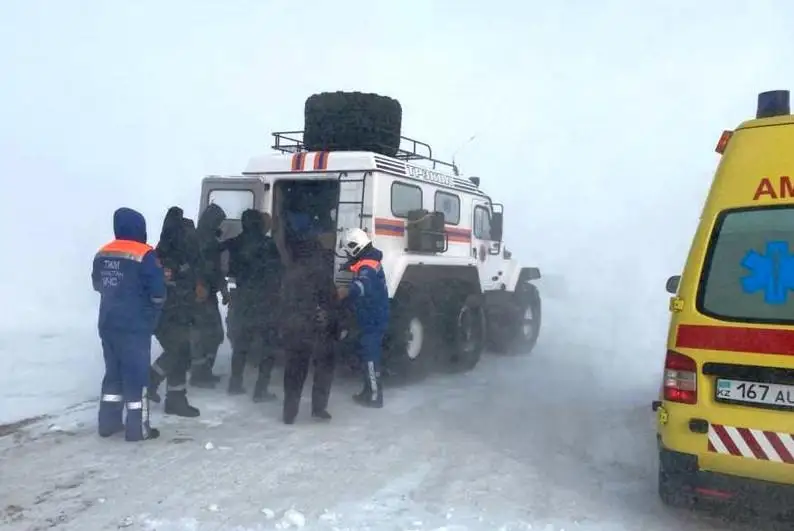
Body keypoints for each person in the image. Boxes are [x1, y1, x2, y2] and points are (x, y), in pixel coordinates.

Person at [92, 207, 165, 441]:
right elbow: (157, 292)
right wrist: (152, 314)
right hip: (134, 326)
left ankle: (108, 424)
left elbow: (97, 284)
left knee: (113, 374)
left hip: (108, 323)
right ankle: (138, 429)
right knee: (136, 377)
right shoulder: (145, 254)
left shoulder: (102, 253)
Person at [223, 209, 282, 401]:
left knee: (241, 345)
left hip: (242, 302)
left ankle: (235, 383)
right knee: (268, 347)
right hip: (265, 303)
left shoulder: (235, 243)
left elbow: (228, 269)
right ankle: (260, 390)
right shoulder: (267, 244)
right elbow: (278, 273)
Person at [148, 206, 200, 417]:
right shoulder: (173, 252)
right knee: (179, 351)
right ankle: (151, 381)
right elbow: (172, 280)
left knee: (180, 353)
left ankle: (174, 397)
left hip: (170, 310)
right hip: (173, 311)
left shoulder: (162, 249)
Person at [280, 237, 338, 424]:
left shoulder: (290, 273)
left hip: (294, 327)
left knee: (294, 371)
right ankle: (319, 408)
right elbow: (330, 300)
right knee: (324, 368)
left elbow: (281, 301)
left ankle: (289, 412)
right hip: (317, 327)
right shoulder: (322, 272)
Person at [337, 228, 390, 408]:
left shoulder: (367, 266)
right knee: (367, 355)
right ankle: (368, 390)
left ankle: (375, 396)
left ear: (355, 246)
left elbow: (363, 284)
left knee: (370, 357)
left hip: (373, 319)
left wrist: (345, 292)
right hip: (371, 316)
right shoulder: (369, 260)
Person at [191, 203, 229, 387]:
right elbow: (197, 267)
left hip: (209, 294)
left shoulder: (211, 241)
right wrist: (199, 285)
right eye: (218, 221)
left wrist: (223, 289)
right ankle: (199, 374)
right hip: (199, 296)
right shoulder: (198, 240)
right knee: (202, 336)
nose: (219, 225)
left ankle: (205, 371)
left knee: (215, 335)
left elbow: (217, 271)